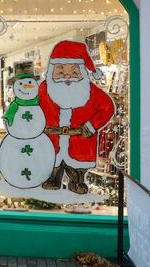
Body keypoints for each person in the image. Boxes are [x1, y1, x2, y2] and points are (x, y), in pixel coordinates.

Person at [38, 40, 115, 194]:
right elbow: (34, 109)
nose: (67, 76)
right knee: (52, 163)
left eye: (74, 72)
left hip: (80, 142)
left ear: (82, 72)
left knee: (77, 167)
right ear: (52, 70)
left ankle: (77, 181)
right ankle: (52, 178)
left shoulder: (91, 91)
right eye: (60, 71)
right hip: (51, 141)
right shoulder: (44, 89)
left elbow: (108, 108)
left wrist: (91, 126)